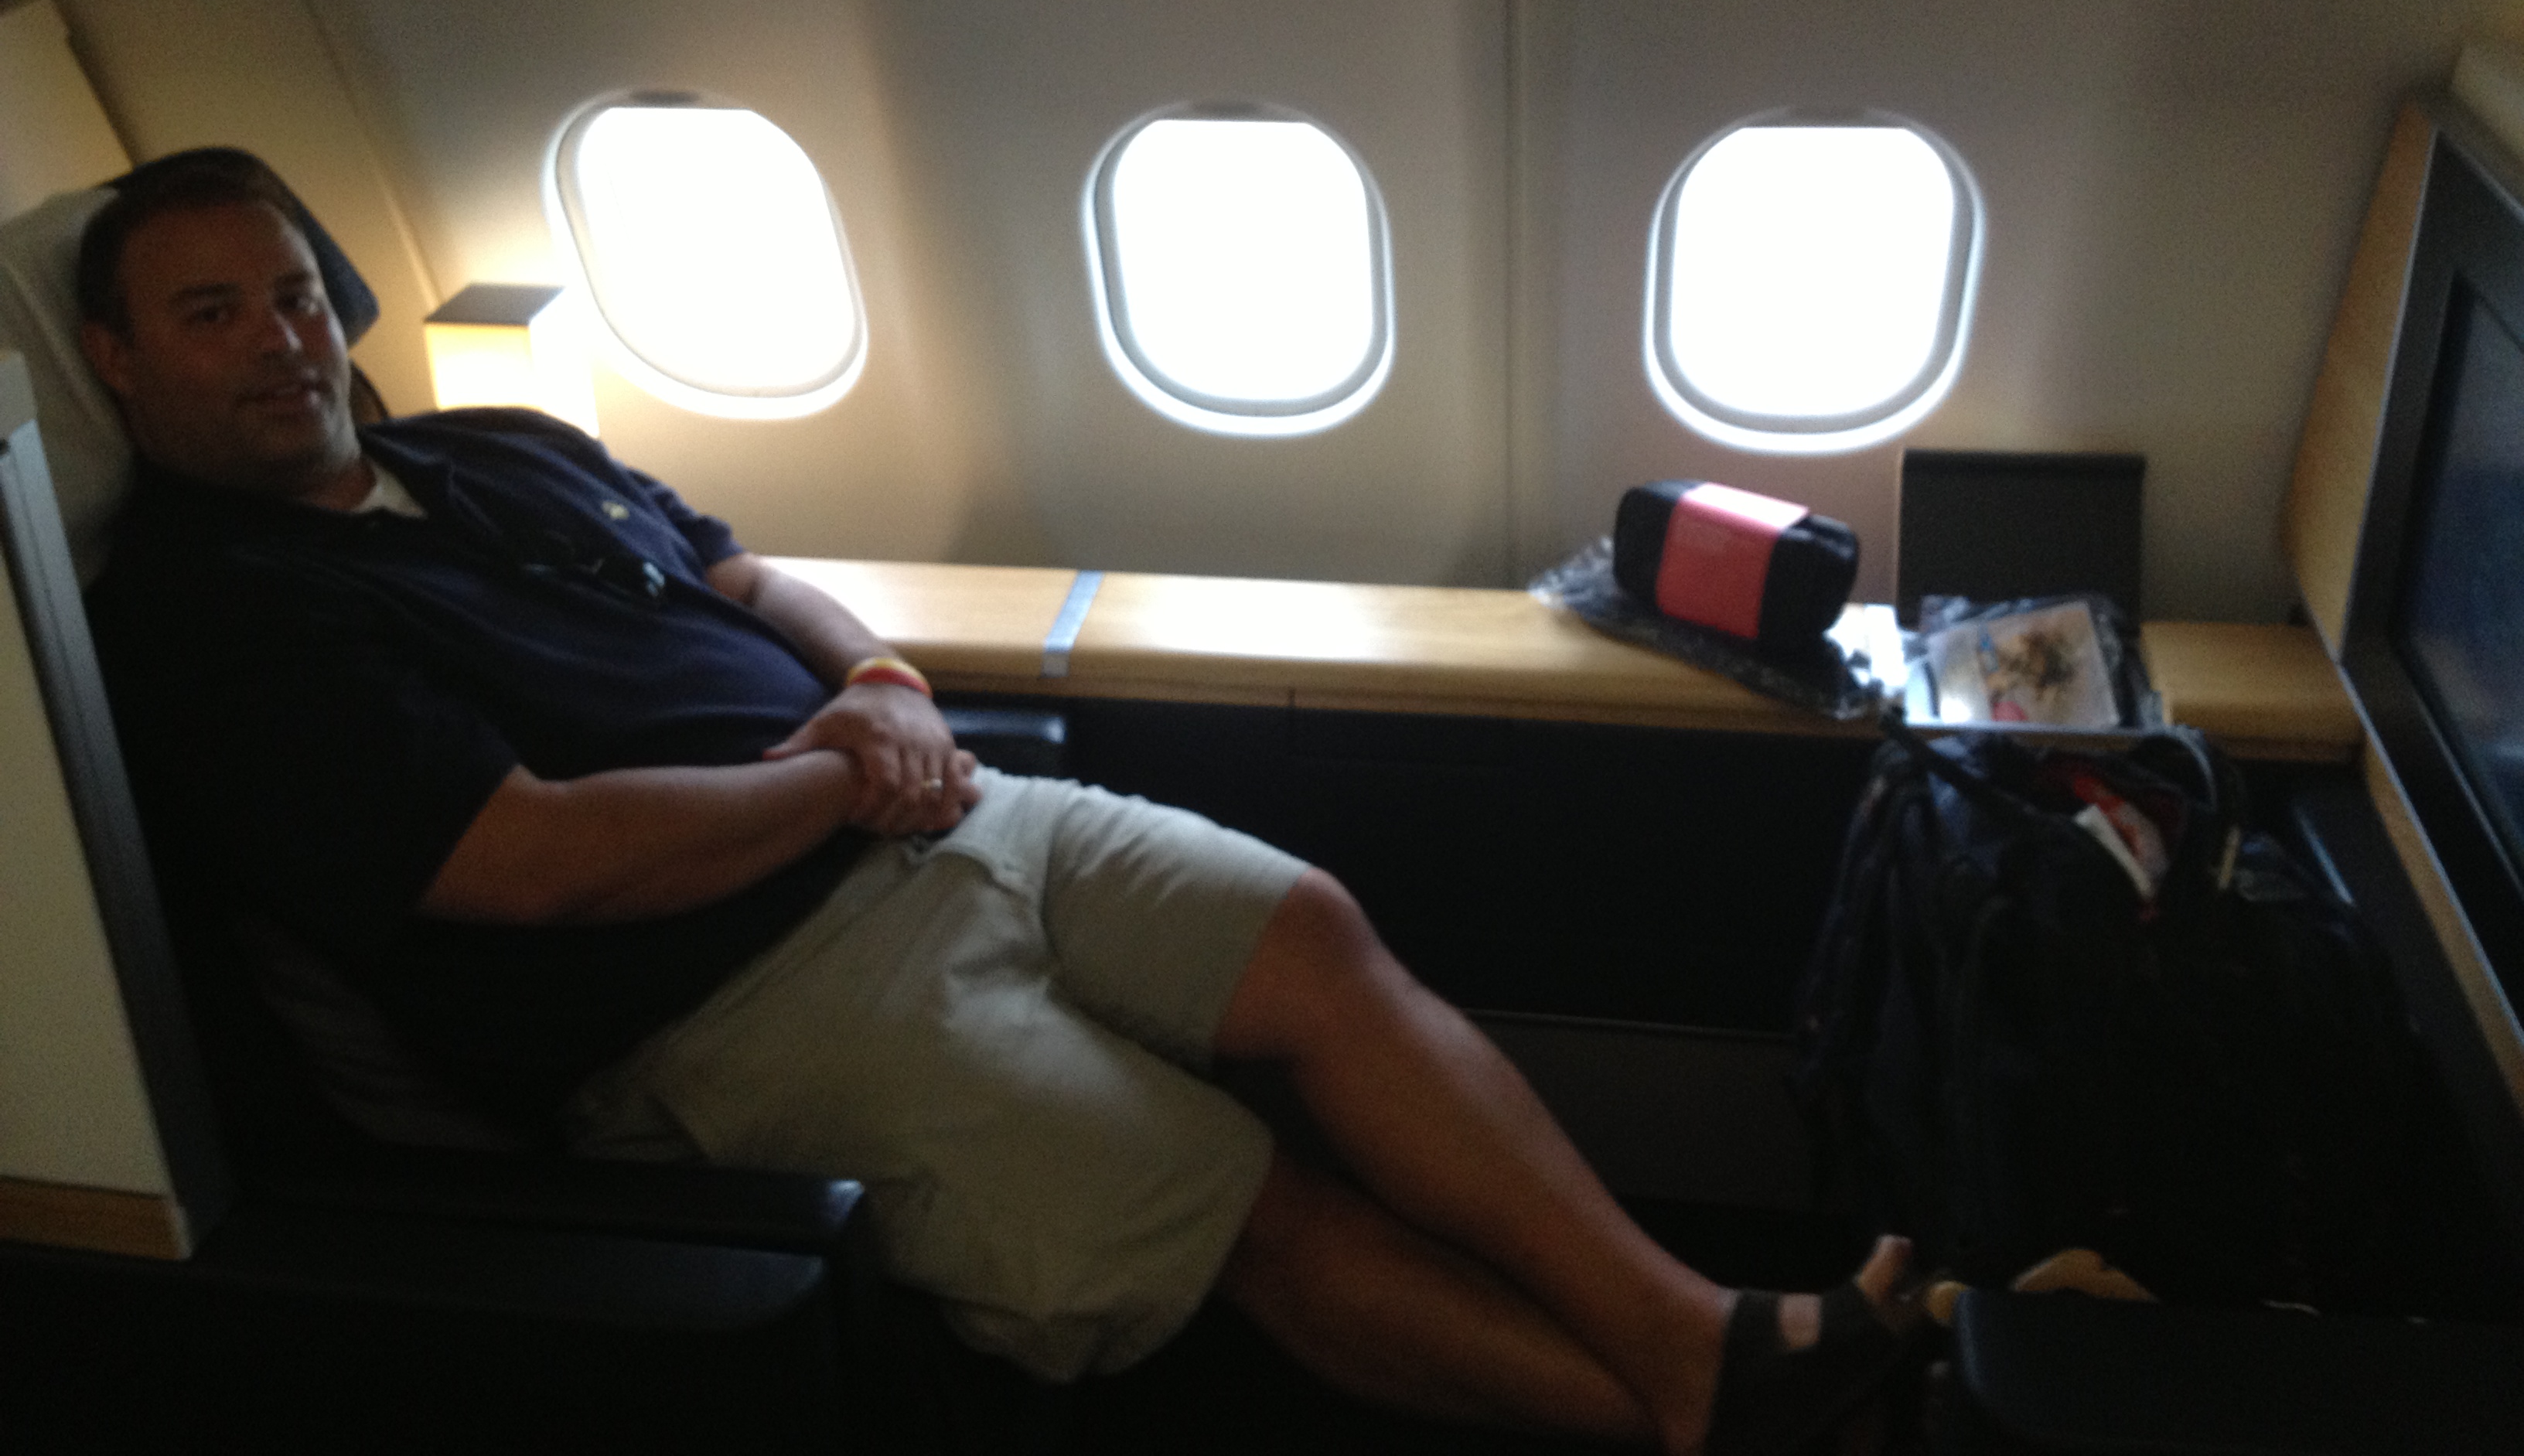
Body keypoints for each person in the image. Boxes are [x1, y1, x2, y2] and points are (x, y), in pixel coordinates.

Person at [77, 148, 1914, 1454]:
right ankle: (1719, 1411)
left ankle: (1697, 1335)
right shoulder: (209, 614)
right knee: (1242, 1194)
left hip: (929, 813)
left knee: (1314, 941)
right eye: (213, 314)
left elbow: (745, 579)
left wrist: (876, 679)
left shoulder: (489, 445)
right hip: (718, 1007)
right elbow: (532, 863)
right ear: (118, 359)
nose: (283, 341)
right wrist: (832, 774)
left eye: (296, 294)